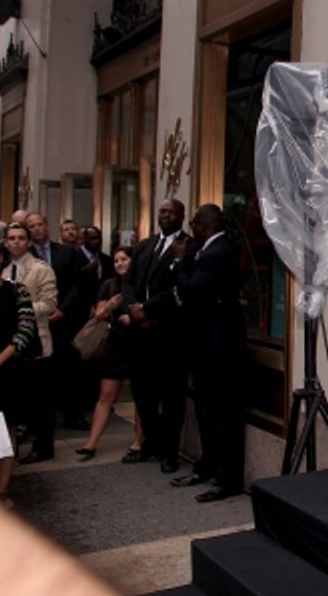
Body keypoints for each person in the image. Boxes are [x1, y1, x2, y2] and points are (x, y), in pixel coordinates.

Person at [168, 204, 247, 503]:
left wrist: (179, 262)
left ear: (204, 224)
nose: (191, 230)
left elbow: (192, 288)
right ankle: (208, 465)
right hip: (204, 348)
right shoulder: (204, 250)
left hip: (221, 350)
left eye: (193, 224)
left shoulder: (220, 252)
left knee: (223, 415)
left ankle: (228, 479)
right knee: (206, 411)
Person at [121, 199, 189, 472]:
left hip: (168, 335)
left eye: (171, 212)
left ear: (181, 216)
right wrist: (132, 307)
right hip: (140, 337)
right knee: (142, 394)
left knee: (172, 397)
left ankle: (170, 454)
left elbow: (180, 289)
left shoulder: (186, 246)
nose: (166, 215)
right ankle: (153, 442)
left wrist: (147, 310)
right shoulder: (145, 245)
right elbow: (128, 282)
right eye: (162, 211)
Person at [0, 238, 39, 508]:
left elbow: (26, 329)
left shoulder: (18, 290)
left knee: (7, 429)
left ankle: (3, 490)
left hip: (10, 369)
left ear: (0, 257)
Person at [75, 246, 141, 460]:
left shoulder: (140, 284)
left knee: (140, 397)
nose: (120, 263)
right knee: (105, 395)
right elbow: (99, 315)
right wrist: (111, 307)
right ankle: (91, 443)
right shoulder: (108, 285)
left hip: (138, 344)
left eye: (124, 259)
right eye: (116, 260)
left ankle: (137, 442)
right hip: (115, 346)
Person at [25, 212, 88, 431]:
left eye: (39, 225)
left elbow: (76, 285)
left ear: (47, 226)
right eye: (31, 226)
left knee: (68, 368)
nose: (36, 229)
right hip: (36, 321)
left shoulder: (65, 252)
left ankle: (73, 415)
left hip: (63, 319)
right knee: (39, 372)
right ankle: (36, 422)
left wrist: (63, 309)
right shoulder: (24, 255)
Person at [2, 223, 58, 465]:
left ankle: (43, 447)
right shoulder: (2, 270)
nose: (16, 242)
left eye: (21, 238)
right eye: (11, 238)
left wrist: (18, 310)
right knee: (17, 401)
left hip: (38, 342)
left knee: (41, 401)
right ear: (5, 242)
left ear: (28, 242)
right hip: (11, 345)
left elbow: (49, 304)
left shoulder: (40, 269)